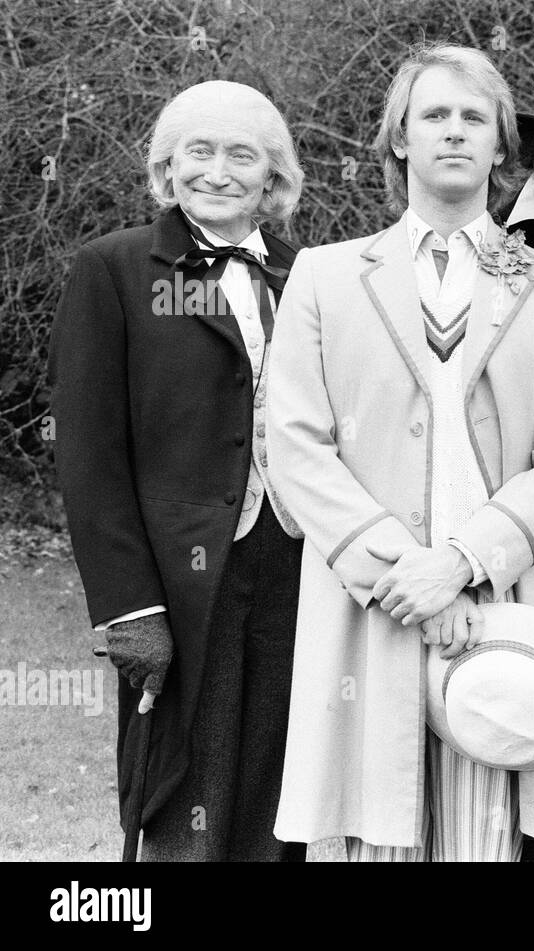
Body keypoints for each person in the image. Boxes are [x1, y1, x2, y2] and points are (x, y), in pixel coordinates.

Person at [267, 42, 534, 862]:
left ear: (500, 146)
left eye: (473, 117)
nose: (454, 132)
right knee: (366, 832)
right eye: (434, 116)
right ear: (399, 140)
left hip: (501, 605)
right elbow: (296, 447)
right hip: (367, 606)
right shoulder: (326, 275)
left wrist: (461, 562)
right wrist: (407, 575)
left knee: (481, 836)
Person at [48, 80, 307, 861]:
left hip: (294, 565)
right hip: (178, 579)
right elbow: (88, 455)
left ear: (274, 178)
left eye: (242, 154)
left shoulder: (311, 278)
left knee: (277, 794)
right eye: (199, 151)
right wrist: (130, 610)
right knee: (181, 796)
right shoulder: (115, 269)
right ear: (168, 166)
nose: (218, 172)